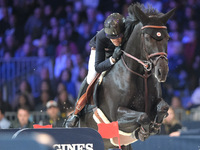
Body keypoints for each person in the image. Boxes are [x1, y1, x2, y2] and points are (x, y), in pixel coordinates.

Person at [65, 12, 134, 127]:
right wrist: (112, 59)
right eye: (112, 38)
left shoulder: (128, 30)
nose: (115, 41)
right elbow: (98, 66)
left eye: (117, 37)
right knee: (91, 76)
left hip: (120, 52)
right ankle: (76, 112)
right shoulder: (102, 36)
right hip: (101, 52)